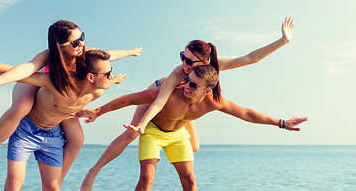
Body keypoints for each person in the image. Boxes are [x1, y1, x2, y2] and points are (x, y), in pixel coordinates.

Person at [80, 17, 295, 190]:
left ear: (205, 62)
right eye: (183, 56)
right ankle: (93, 173)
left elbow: (251, 58)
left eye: (190, 61)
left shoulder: (212, 74)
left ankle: (174, 124)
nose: (184, 63)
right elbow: (155, 101)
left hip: (191, 100)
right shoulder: (178, 75)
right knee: (132, 133)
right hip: (160, 94)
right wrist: (134, 123)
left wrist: (283, 41)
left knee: (194, 146)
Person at [0, 20, 141, 185]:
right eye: (75, 42)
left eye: (82, 38)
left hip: (66, 96)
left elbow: (111, 56)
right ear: (60, 47)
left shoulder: (87, 56)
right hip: (37, 81)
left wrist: (130, 52)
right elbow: (20, 71)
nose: (81, 44)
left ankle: (57, 181)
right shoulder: (48, 57)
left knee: (77, 137)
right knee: (22, 107)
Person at [77, 65, 308, 191]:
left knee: (189, 180)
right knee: (147, 177)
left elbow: (246, 113)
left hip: (178, 134)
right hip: (154, 132)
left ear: (206, 91)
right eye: (187, 80)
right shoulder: (169, 93)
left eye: (194, 85)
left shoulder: (214, 102)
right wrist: (98, 112)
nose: (187, 86)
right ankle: (92, 173)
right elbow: (129, 99)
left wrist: (280, 122)